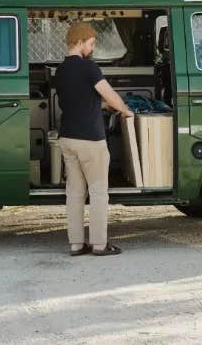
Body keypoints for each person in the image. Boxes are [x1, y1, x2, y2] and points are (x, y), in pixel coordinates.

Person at [54, 21, 134, 257]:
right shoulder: (89, 68)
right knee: (98, 192)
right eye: (91, 43)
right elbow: (110, 94)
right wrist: (124, 110)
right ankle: (99, 245)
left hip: (67, 138)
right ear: (80, 42)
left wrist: (101, 105)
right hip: (90, 139)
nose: (92, 47)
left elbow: (79, 99)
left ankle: (76, 244)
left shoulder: (61, 70)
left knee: (75, 193)